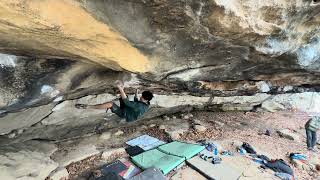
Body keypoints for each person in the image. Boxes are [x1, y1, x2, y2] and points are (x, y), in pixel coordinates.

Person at [75, 81, 153, 122]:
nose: (140, 97)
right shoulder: (146, 103)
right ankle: (119, 92)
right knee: (123, 96)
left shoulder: (141, 106)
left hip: (125, 114)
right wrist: (136, 92)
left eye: (141, 97)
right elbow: (137, 102)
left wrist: (120, 88)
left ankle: (88, 106)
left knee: (111, 104)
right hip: (128, 109)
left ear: (145, 99)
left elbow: (127, 103)